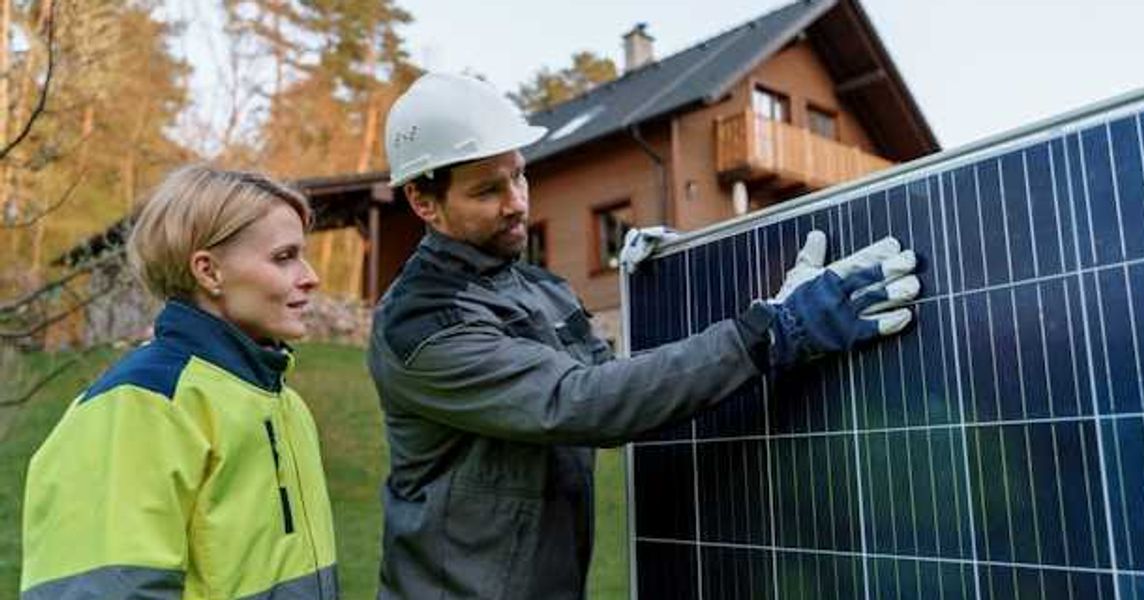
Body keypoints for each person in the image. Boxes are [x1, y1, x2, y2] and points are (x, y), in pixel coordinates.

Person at [367, 72, 920, 599]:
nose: (516, 202)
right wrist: (773, 330)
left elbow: (627, 381)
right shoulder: (421, 325)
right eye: (488, 190)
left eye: (519, 174)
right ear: (423, 202)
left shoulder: (541, 289)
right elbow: (581, 403)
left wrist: (675, 283)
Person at [20, 165, 339, 599]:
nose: (310, 276)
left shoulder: (286, 404)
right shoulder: (142, 403)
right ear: (209, 272)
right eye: (284, 257)